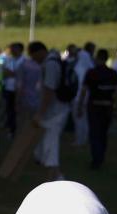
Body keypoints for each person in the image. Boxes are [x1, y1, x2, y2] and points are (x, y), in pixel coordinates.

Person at [34, 46, 71, 181]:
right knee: (48, 145)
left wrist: (40, 113)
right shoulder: (56, 61)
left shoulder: (50, 64)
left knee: (51, 145)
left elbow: (49, 90)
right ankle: (56, 175)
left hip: (55, 111)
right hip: (58, 108)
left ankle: (52, 178)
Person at [79, 48, 117, 169]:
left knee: (94, 133)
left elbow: (84, 90)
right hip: (107, 106)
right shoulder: (113, 73)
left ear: (97, 58)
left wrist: (80, 105)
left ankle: (96, 158)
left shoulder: (91, 72)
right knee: (103, 133)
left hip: (94, 105)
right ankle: (100, 156)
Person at [2, 42, 25, 135]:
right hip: (9, 88)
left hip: (19, 89)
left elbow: (20, 74)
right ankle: (11, 129)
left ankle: (18, 129)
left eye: (14, 48)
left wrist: (12, 73)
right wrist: (13, 73)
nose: (11, 50)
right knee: (9, 110)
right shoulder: (8, 60)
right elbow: (5, 72)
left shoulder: (24, 61)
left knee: (18, 110)